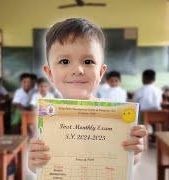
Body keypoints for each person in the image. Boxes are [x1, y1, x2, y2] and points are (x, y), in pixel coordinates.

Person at [28, 18, 147, 179]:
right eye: (64, 61)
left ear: (101, 72)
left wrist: (135, 150)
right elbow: (39, 167)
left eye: (88, 61)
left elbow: (127, 159)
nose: (77, 69)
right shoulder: (49, 119)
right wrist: (34, 161)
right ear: (49, 73)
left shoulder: (116, 119)